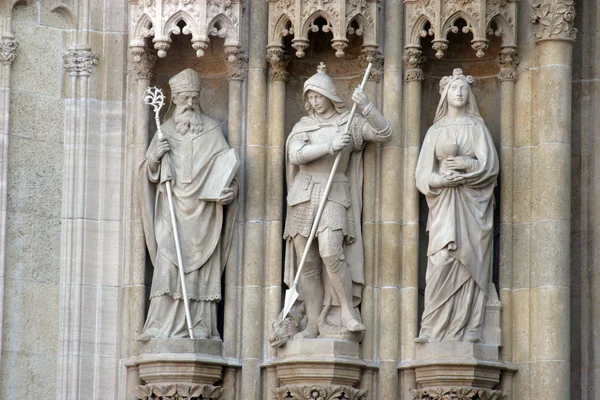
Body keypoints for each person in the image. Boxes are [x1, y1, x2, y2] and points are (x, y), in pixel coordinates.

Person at [283, 63, 392, 339]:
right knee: (306, 262)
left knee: (331, 252)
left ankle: (347, 312)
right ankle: (312, 323)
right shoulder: (304, 125)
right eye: (310, 97)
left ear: (330, 96)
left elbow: (383, 133)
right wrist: (330, 145)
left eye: (319, 96)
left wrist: (367, 107)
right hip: (303, 194)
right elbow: (296, 154)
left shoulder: (349, 121)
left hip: (334, 192)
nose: (314, 101)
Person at [138, 68, 238, 340]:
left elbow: (227, 167)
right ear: (174, 99)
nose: (190, 104)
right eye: (184, 99)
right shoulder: (165, 131)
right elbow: (147, 174)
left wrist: (229, 191)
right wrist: (155, 158)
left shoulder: (212, 131)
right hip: (172, 209)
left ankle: (201, 324)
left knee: (202, 266)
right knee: (169, 259)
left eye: (194, 98)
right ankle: (161, 325)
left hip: (204, 213)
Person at [414, 68, 499, 343]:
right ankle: (432, 328)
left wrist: (465, 166)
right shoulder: (435, 131)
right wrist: (440, 180)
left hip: (472, 204)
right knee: (441, 260)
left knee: (471, 263)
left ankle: (470, 327)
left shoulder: (477, 128)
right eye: (454, 89)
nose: (459, 93)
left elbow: (490, 167)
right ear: (445, 95)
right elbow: (422, 175)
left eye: (464, 89)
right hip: (444, 204)